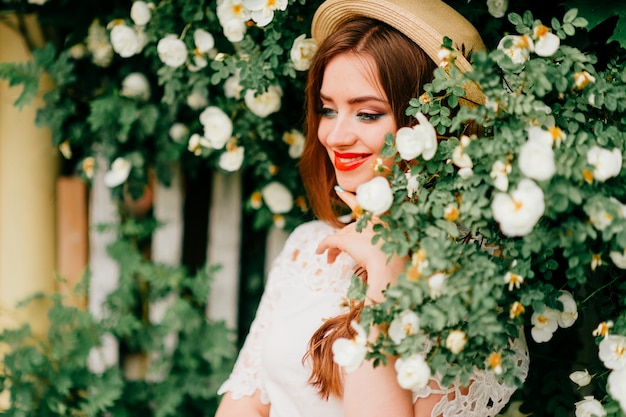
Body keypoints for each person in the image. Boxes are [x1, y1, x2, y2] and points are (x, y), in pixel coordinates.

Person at [215, 0, 528, 416]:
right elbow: (243, 407)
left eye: (366, 113)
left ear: (432, 123)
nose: (335, 134)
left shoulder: (476, 286)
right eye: (328, 109)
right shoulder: (307, 246)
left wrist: (383, 277)